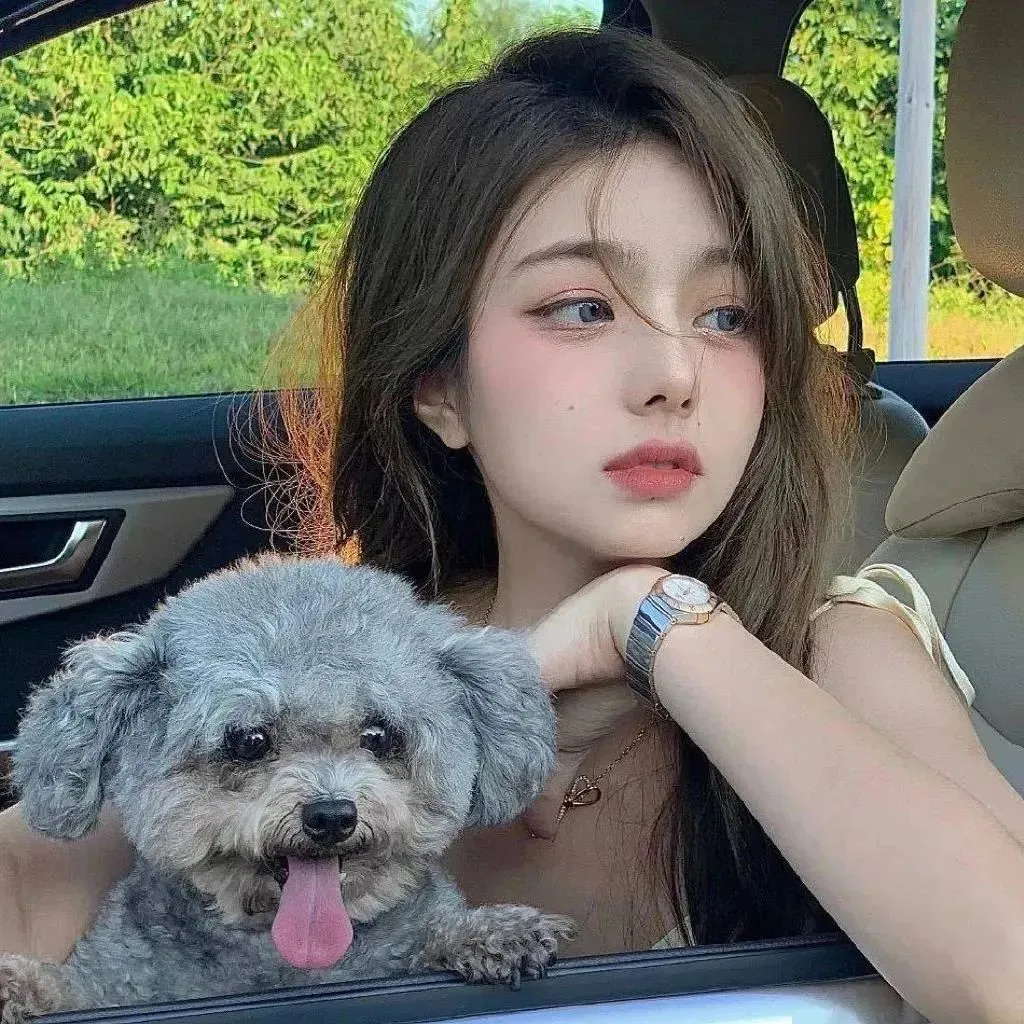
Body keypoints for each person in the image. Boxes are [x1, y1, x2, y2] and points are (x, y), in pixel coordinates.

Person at [1, 26, 1022, 1024]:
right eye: (582, 307)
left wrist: (655, 621)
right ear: (439, 384)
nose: (675, 374)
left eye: (728, 316)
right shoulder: (329, 673)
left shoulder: (834, 653)